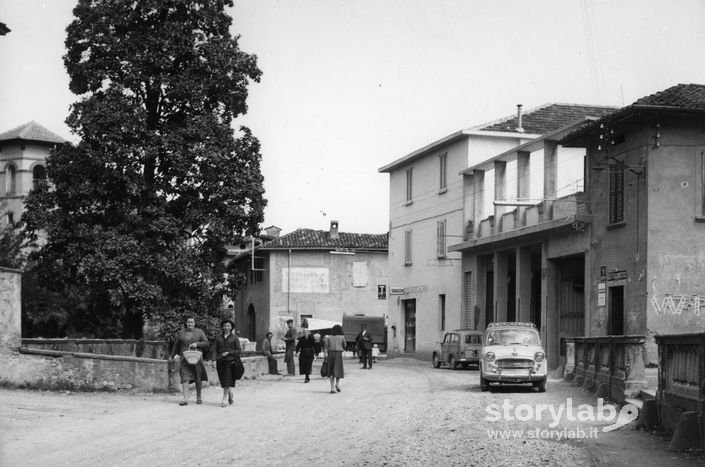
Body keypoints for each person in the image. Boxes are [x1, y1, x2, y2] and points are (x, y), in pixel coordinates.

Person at [169, 315, 209, 406]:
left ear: (194, 323)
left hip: (197, 358)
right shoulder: (181, 333)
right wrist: (172, 356)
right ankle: (185, 398)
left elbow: (206, 343)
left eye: (192, 322)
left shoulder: (199, 332)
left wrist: (197, 344)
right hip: (184, 358)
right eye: (188, 322)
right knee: (184, 376)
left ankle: (199, 397)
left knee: (198, 376)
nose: (190, 324)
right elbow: (176, 345)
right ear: (186, 323)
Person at [213, 318, 242, 408]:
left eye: (228, 326)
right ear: (222, 327)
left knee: (226, 379)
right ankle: (230, 393)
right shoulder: (218, 337)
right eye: (225, 326)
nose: (226, 327)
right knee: (224, 381)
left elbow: (239, 351)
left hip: (230, 361)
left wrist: (229, 352)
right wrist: (213, 360)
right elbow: (214, 349)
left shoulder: (234, 338)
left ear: (231, 327)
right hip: (220, 361)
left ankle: (224, 399)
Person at [324, 324, 346, 393]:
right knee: (338, 370)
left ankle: (332, 388)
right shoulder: (342, 337)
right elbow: (345, 345)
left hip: (330, 354)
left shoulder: (329, 337)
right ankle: (337, 384)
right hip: (338, 354)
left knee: (331, 371)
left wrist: (325, 356)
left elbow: (325, 347)